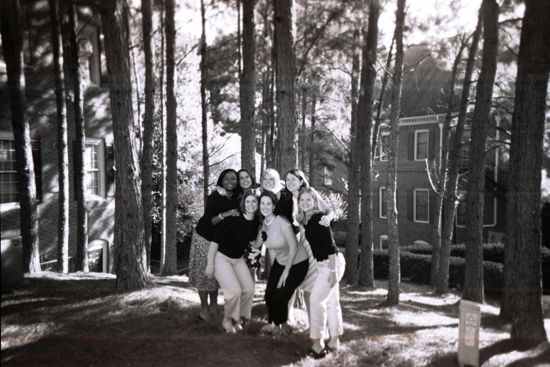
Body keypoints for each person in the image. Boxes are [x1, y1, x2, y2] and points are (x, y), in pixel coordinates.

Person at [297, 187, 346, 358]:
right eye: (302, 200)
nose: (305, 203)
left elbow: (331, 247)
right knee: (332, 301)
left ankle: (318, 344)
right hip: (325, 264)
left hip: (331, 263)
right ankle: (334, 341)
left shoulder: (319, 219)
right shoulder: (309, 220)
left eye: (308, 200)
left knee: (316, 301)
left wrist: (332, 271)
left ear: (315, 201)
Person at [205, 190, 261, 333]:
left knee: (249, 289)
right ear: (243, 203)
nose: (251, 204)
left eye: (254, 201)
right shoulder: (234, 217)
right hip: (220, 258)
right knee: (234, 291)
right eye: (248, 201)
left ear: (258, 204)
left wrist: (264, 230)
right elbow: (214, 241)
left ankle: (239, 319)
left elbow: (254, 244)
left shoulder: (256, 222)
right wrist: (210, 265)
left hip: (237, 259)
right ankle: (227, 320)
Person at [254, 190, 309, 334]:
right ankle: (277, 325)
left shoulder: (282, 222)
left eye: (268, 203)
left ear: (273, 206)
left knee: (280, 296)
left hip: (298, 263)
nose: (265, 206)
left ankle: (283, 327)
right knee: (269, 295)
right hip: (281, 262)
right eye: (262, 203)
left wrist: (286, 272)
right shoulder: (264, 225)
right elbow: (255, 244)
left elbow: (293, 248)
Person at [188, 169, 240, 322]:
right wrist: (226, 214)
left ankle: (214, 307)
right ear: (221, 181)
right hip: (205, 237)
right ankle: (204, 309)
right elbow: (210, 221)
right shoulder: (214, 196)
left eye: (233, 179)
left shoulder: (237, 197)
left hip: (220, 240)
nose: (230, 181)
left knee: (215, 276)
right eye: (226, 179)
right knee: (205, 275)